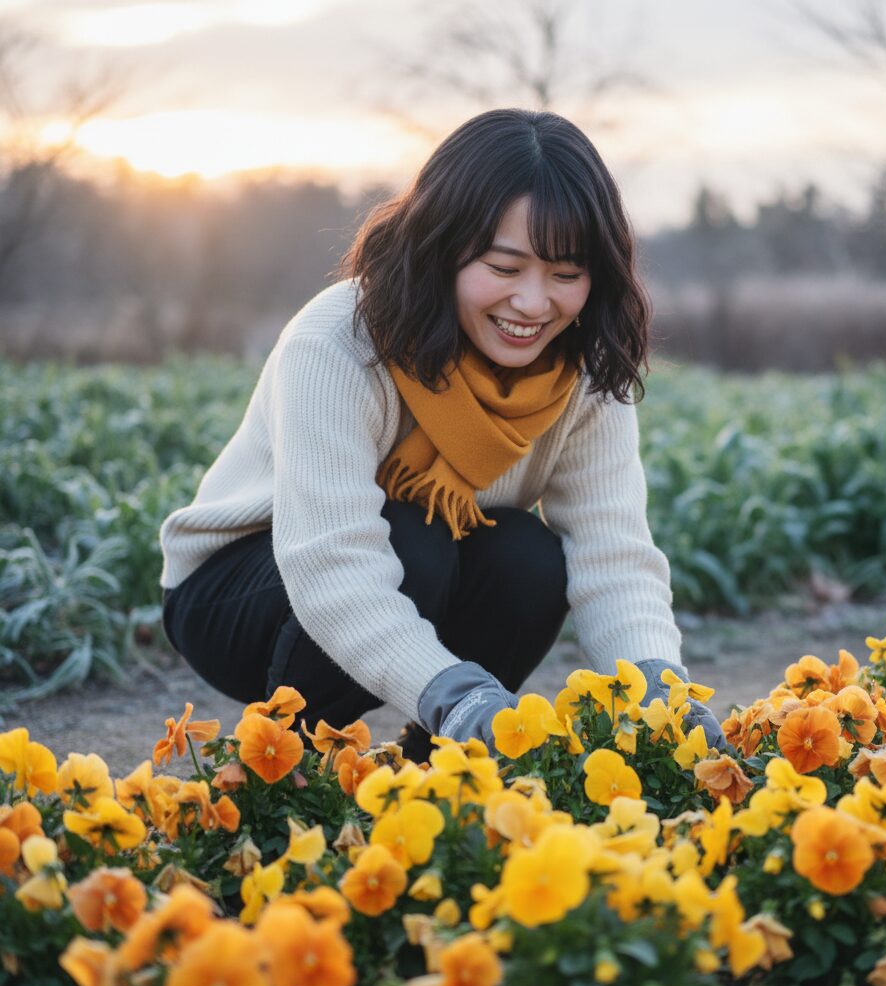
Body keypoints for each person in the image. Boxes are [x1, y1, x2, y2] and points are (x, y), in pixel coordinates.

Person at [158, 107, 724, 763]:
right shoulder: (341, 341)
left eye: (566, 274)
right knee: (413, 539)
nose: (535, 304)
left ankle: (443, 771)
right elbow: (331, 565)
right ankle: (291, 768)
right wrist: (457, 694)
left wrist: (662, 697)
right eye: (505, 268)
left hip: (415, 566)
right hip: (244, 589)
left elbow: (613, 551)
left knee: (527, 558)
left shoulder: (583, 364)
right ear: (443, 247)